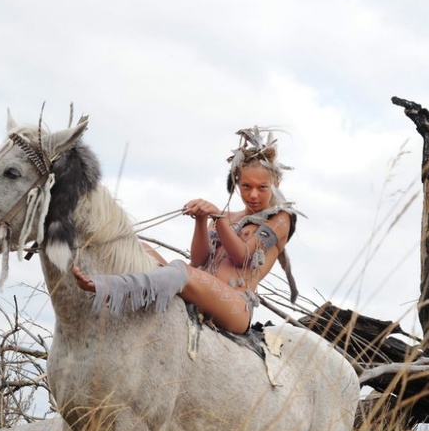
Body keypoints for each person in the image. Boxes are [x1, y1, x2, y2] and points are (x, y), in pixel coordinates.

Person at [72, 127, 298, 335]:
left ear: (276, 184)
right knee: (142, 248)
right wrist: (201, 220)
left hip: (234, 307)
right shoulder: (226, 217)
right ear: (237, 183)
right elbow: (199, 260)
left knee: (181, 270)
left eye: (262, 187)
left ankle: (110, 288)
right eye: (246, 186)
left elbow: (243, 256)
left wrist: (217, 218)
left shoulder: (281, 219)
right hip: (197, 292)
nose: (253, 194)